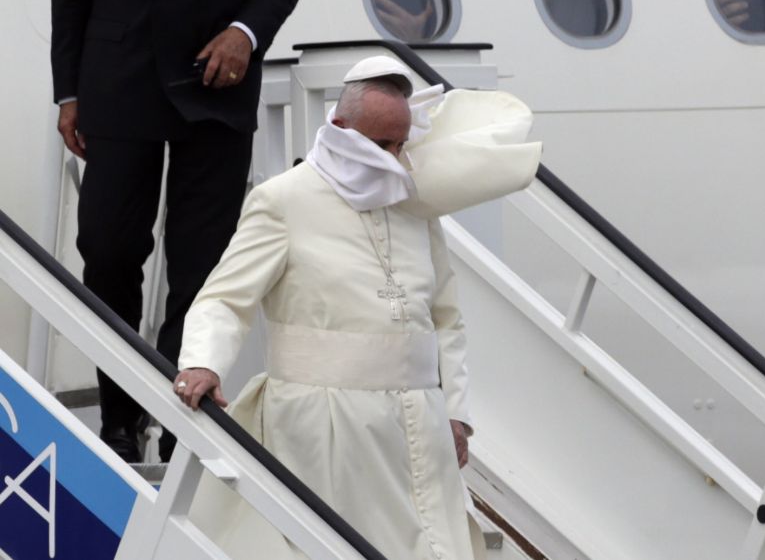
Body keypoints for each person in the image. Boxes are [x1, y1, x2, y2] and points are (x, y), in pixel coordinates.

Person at [172, 56, 541, 559]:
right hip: (322, 427)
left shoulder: (413, 202)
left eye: (400, 144)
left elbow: (445, 318)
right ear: (341, 128)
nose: (392, 157)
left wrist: (455, 411)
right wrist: (202, 361)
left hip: (416, 424)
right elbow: (224, 297)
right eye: (380, 143)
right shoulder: (283, 200)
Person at [50, 0, 308, 463]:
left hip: (215, 82)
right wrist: (69, 90)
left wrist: (246, 32)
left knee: (201, 267)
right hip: (120, 79)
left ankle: (178, 421)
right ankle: (121, 413)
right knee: (108, 250)